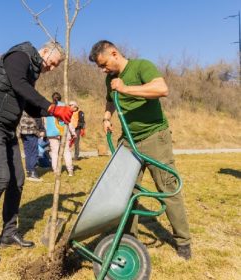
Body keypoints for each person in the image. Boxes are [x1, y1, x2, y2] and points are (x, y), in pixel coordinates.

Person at [89, 40, 192, 260]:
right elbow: (111, 100)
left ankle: (183, 241)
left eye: (104, 64)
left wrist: (125, 88)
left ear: (114, 54)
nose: (103, 70)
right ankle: (129, 239)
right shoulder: (111, 79)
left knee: (167, 187)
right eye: (100, 67)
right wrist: (107, 116)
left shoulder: (141, 66)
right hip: (128, 141)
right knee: (125, 191)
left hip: (155, 136)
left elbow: (161, 89)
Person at [0, 41, 73, 262]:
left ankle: (8, 233)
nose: (52, 68)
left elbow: (28, 104)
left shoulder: (32, 69)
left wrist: (54, 114)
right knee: (0, 177)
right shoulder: (20, 55)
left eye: (56, 66)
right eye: (53, 63)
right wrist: (52, 106)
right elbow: (19, 85)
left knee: (17, 179)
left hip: (8, 127)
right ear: (45, 52)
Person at [45, 92, 76, 176]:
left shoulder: (49, 107)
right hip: (63, 131)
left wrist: (46, 132)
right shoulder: (64, 106)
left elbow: (45, 122)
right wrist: (73, 132)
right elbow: (69, 120)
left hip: (51, 133)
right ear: (60, 98)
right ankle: (70, 171)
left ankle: (55, 171)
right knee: (66, 151)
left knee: (54, 152)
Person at [18, 112, 44, 181]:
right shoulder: (33, 108)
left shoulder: (22, 107)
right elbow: (36, 121)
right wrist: (40, 132)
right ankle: (32, 173)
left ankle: (29, 171)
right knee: (33, 152)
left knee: (28, 152)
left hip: (23, 132)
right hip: (31, 132)